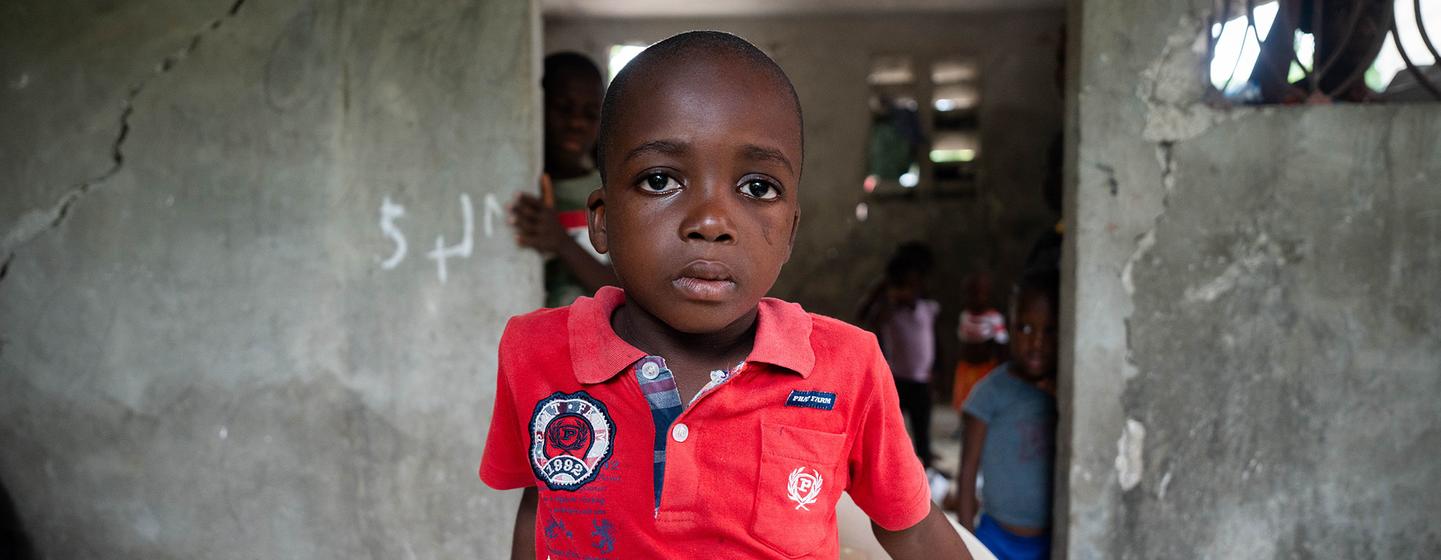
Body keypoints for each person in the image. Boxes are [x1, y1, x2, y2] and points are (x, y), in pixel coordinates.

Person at [480, 31, 972, 559]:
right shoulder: (536, 353)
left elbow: (913, 530)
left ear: (789, 231)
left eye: (757, 187)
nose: (711, 222)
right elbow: (541, 501)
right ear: (603, 220)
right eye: (661, 180)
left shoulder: (846, 367)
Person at [952, 267, 1059, 560]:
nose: (1037, 342)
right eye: (1025, 328)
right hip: (995, 538)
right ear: (1008, 328)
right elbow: (967, 471)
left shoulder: (1065, 393)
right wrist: (967, 540)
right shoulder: (991, 392)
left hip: (1053, 539)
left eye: (1049, 330)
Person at [508, 52, 617, 308]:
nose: (577, 123)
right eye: (563, 109)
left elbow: (623, 291)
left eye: (590, 114)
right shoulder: (519, 186)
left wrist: (561, 243)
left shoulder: (610, 192)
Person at [858, 243, 940, 468]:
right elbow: (865, 315)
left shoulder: (927, 308)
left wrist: (936, 370)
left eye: (915, 284)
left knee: (922, 426)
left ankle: (926, 463)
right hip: (896, 379)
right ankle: (888, 464)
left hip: (922, 380)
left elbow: (935, 342)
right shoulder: (889, 310)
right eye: (905, 284)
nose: (910, 289)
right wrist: (882, 289)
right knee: (890, 427)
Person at [952, 271, 1008, 414]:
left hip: (985, 369)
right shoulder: (965, 316)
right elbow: (962, 342)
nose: (974, 298)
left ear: (988, 295)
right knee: (964, 400)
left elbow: (1001, 347)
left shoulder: (994, 318)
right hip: (966, 369)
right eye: (970, 293)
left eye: (978, 293)